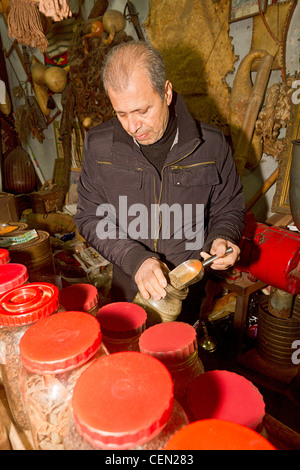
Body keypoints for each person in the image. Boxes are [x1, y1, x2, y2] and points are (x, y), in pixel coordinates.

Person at [74, 40, 246, 324]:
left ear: (166, 92)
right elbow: (90, 217)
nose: (132, 126)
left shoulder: (212, 146)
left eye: (142, 110)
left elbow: (228, 208)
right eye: (121, 113)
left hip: (187, 296)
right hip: (127, 296)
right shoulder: (99, 146)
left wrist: (223, 237)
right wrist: (135, 259)